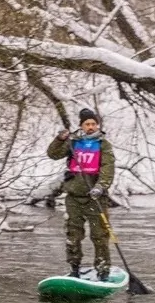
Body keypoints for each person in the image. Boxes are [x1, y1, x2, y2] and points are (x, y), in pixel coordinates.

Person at [47, 108, 115, 279]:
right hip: (74, 198)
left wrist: (100, 186)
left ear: (97, 125)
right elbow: (53, 154)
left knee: (99, 236)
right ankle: (74, 268)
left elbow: (108, 169)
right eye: (87, 124)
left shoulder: (103, 144)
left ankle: (102, 270)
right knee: (73, 235)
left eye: (93, 124)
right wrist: (59, 139)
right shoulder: (72, 142)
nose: (90, 127)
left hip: (95, 198)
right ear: (82, 126)